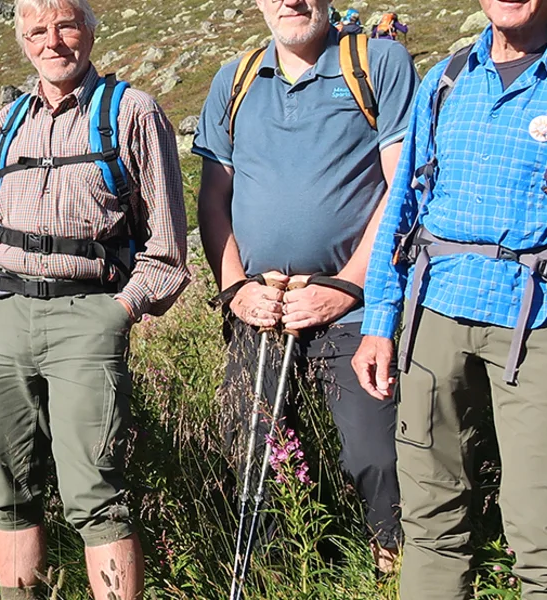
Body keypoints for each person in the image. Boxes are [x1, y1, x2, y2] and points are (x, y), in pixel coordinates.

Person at [352, 0, 547, 597]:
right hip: (432, 314)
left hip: (540, 320)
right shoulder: (446, 79)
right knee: (429, 520)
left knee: (545, 527)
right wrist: (379, 320)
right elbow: (403, 206)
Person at [0, 0, 190, 596]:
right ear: (23, 41)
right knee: (9, 494)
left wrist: (118, 313)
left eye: (66, 25)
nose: (53, 41)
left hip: (88, 317)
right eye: (37, 31)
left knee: (97, 495)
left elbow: (168, 248)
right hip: (1, 320)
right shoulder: (6, 123)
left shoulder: (133, 113)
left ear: (90, 32)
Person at [190, 0, 418, 573]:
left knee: (375, 455)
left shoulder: (378, 64)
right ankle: (286, 573)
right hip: (261, 306)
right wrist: (236, 289)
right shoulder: (234, 80)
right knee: (252, 450)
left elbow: (402, 188)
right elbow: (213, 199)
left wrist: (348, 287)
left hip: (353, 309)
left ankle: (391, 570)